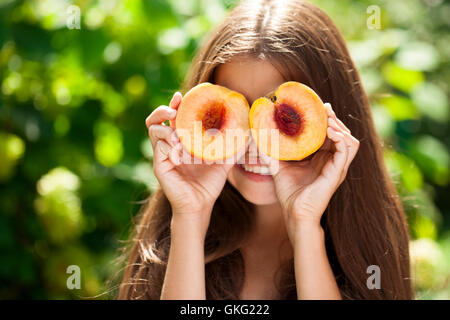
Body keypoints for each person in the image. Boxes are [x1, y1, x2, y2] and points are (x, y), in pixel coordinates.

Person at [118, 0, 412, 300]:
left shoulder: (367, 249)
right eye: (239, 112)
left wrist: (305, 226)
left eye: (282, 120)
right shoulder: (174, 230)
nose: (257, 143)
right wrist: (190, 219)